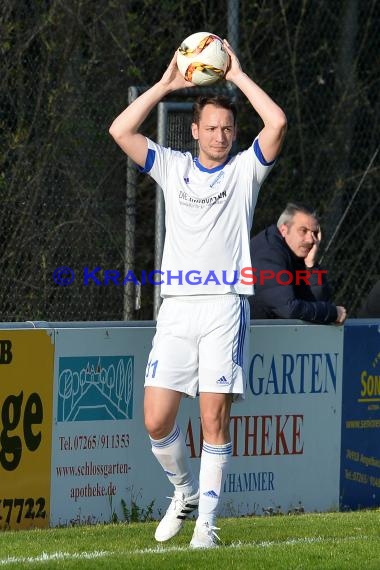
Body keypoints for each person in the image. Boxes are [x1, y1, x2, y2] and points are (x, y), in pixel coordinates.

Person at [109, 39, 287, 548]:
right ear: (194, 131)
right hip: (177, 309)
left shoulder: (245, 170)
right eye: (211, 127)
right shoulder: (172, 166)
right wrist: (167, 83)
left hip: (225, 307)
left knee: (213, 417)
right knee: (156, 419)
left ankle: (206, 527)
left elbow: (275, 123)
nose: (221, 135)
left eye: (228, 128)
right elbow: (120, 130)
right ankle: (183, 491)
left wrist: (240, 74)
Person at [249, 202, 347, 324]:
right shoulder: (268, 252)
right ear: (284, 230)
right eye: (303, 230)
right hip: (249, 337)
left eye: (314, 233)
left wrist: (310, 266)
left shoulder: (293, 252)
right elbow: (289, 309)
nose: (311, 239)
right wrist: (332, 313)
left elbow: (317, 303)